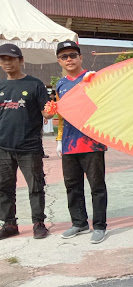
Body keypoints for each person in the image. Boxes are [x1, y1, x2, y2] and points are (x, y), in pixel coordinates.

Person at [55, 41, 109, 244]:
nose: (69, 59)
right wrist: (59, 139)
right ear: (59, 61)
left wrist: (95, 83)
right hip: (69, 144)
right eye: (64, 56)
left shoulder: (93, 78)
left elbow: (104, 105)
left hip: (92, 143)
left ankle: (100, 226)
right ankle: (79, 222)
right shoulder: (60, 84)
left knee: (97, 186)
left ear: (80, 57)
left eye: (72, 55)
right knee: (72, 186)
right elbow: (61, 115)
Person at [0, 44, 54, 240]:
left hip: (29, 147)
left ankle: (38, 222)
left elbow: (46, 111)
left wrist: (51, 111)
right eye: (3, 59)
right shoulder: (0, 86)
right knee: (4, 187)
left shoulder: (35, 85)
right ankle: (9, 224)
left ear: (21, 61)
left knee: (35, 186)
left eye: (11, 59)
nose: (7, 62)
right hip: (3, 147)